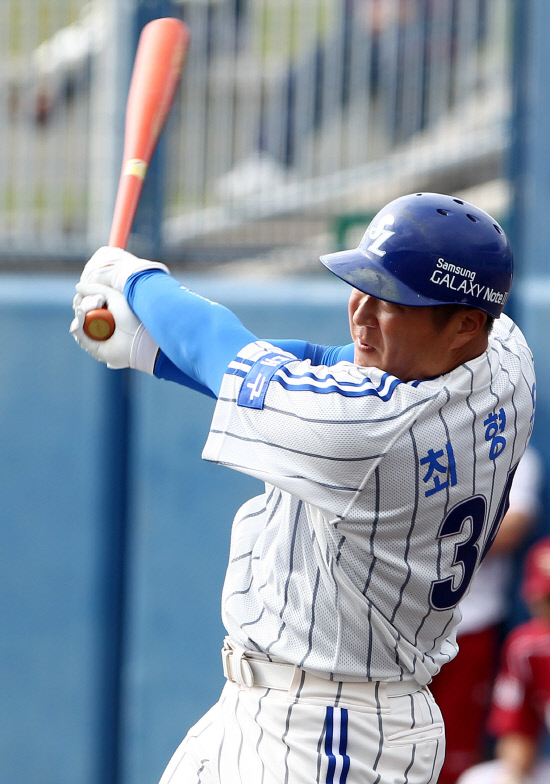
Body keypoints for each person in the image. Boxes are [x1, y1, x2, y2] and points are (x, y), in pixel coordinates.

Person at [70, 192, 536, 783]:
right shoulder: (505, 358)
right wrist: (152, 351)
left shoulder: (369, 431)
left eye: (394, 301)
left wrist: (137, 280)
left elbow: (231, 354)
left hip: (329, 734)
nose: (363, 313)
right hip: (282, 707)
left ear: (465, 324)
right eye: (362, 286)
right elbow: (317, 364)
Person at [430, 446, 543, 784]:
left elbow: (514, 526)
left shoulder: (510, 445)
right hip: (400, 625)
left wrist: (426, 545)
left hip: (472, 620)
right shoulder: (412, 436)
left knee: (455, 753)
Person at [456, 536, 550, 784]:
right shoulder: (528, 649)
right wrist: (513, 775)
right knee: (481, 780)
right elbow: (518, 732)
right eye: (546, 600)